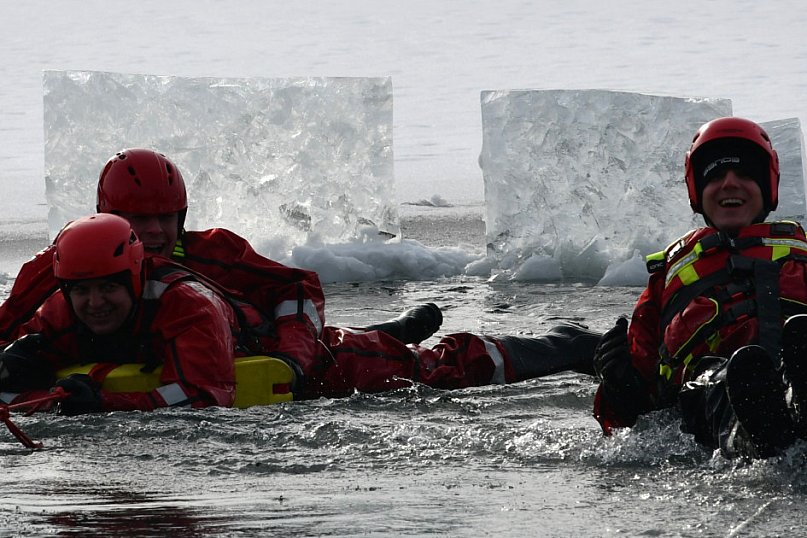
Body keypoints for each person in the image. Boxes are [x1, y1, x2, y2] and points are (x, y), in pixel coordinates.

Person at [0, 149, 601, 401]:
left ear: (181, 215)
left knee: (434, 369)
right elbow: (16, 312)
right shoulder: (79, 261)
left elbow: (299, 292)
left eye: (164, 219)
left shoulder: (209, 261)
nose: (153, 233)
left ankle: (566, 344)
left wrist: (294, 359)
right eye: (138, 220)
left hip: (290, 346)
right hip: (232, 336)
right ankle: (390, 326)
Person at [592, 116, 807, 459]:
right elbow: (629, 415)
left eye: (746, 174)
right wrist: (619, 384)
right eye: (716, 176)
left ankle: (797, 403)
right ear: (697, 190)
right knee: (722, 379)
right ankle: (747, 435)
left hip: (795, 369)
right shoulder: (667, 277)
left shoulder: (803, 251)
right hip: (714, 398)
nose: (729, 184)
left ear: (768, 186)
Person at [0, 214, 240, 414]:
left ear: (134, 282)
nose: (95, 303)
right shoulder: (56, 313)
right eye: (82, 290)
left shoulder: (190, 308)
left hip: (241, 345)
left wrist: (104, 404)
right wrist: (46, 401)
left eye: (108, 287)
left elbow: (204, 397)